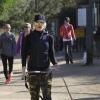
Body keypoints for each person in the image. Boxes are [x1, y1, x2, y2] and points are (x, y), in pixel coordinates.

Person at [24, 14, 58, 100]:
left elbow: (51, 52)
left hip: (45, 71)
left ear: (45, 24)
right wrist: (23, 67)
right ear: (34, 24)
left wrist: (55, 63)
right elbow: (24, 53)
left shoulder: (50, 38)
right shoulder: (28, 37)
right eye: (37, 22)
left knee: (47, 97)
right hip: (32, 71)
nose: (39, 24)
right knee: (34, 97)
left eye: (42, 22)